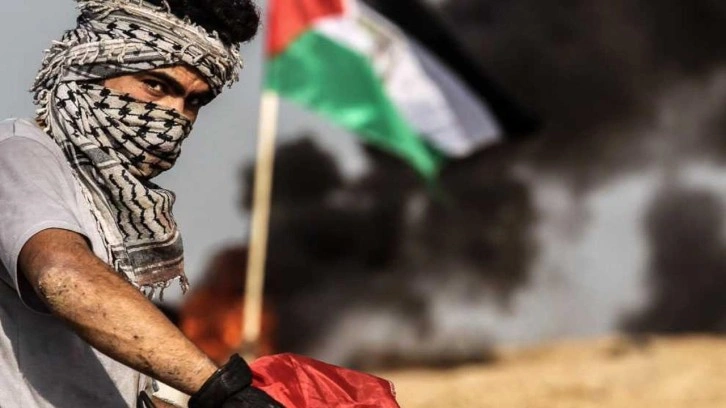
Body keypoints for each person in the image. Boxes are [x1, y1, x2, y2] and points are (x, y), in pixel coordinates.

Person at [0, 0, 283, 406]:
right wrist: (220, 388)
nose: (174, 116)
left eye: (194, 102)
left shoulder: (110, 203)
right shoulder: (18, 154)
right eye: (157, 85)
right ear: (92, 66)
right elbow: (62, 276)